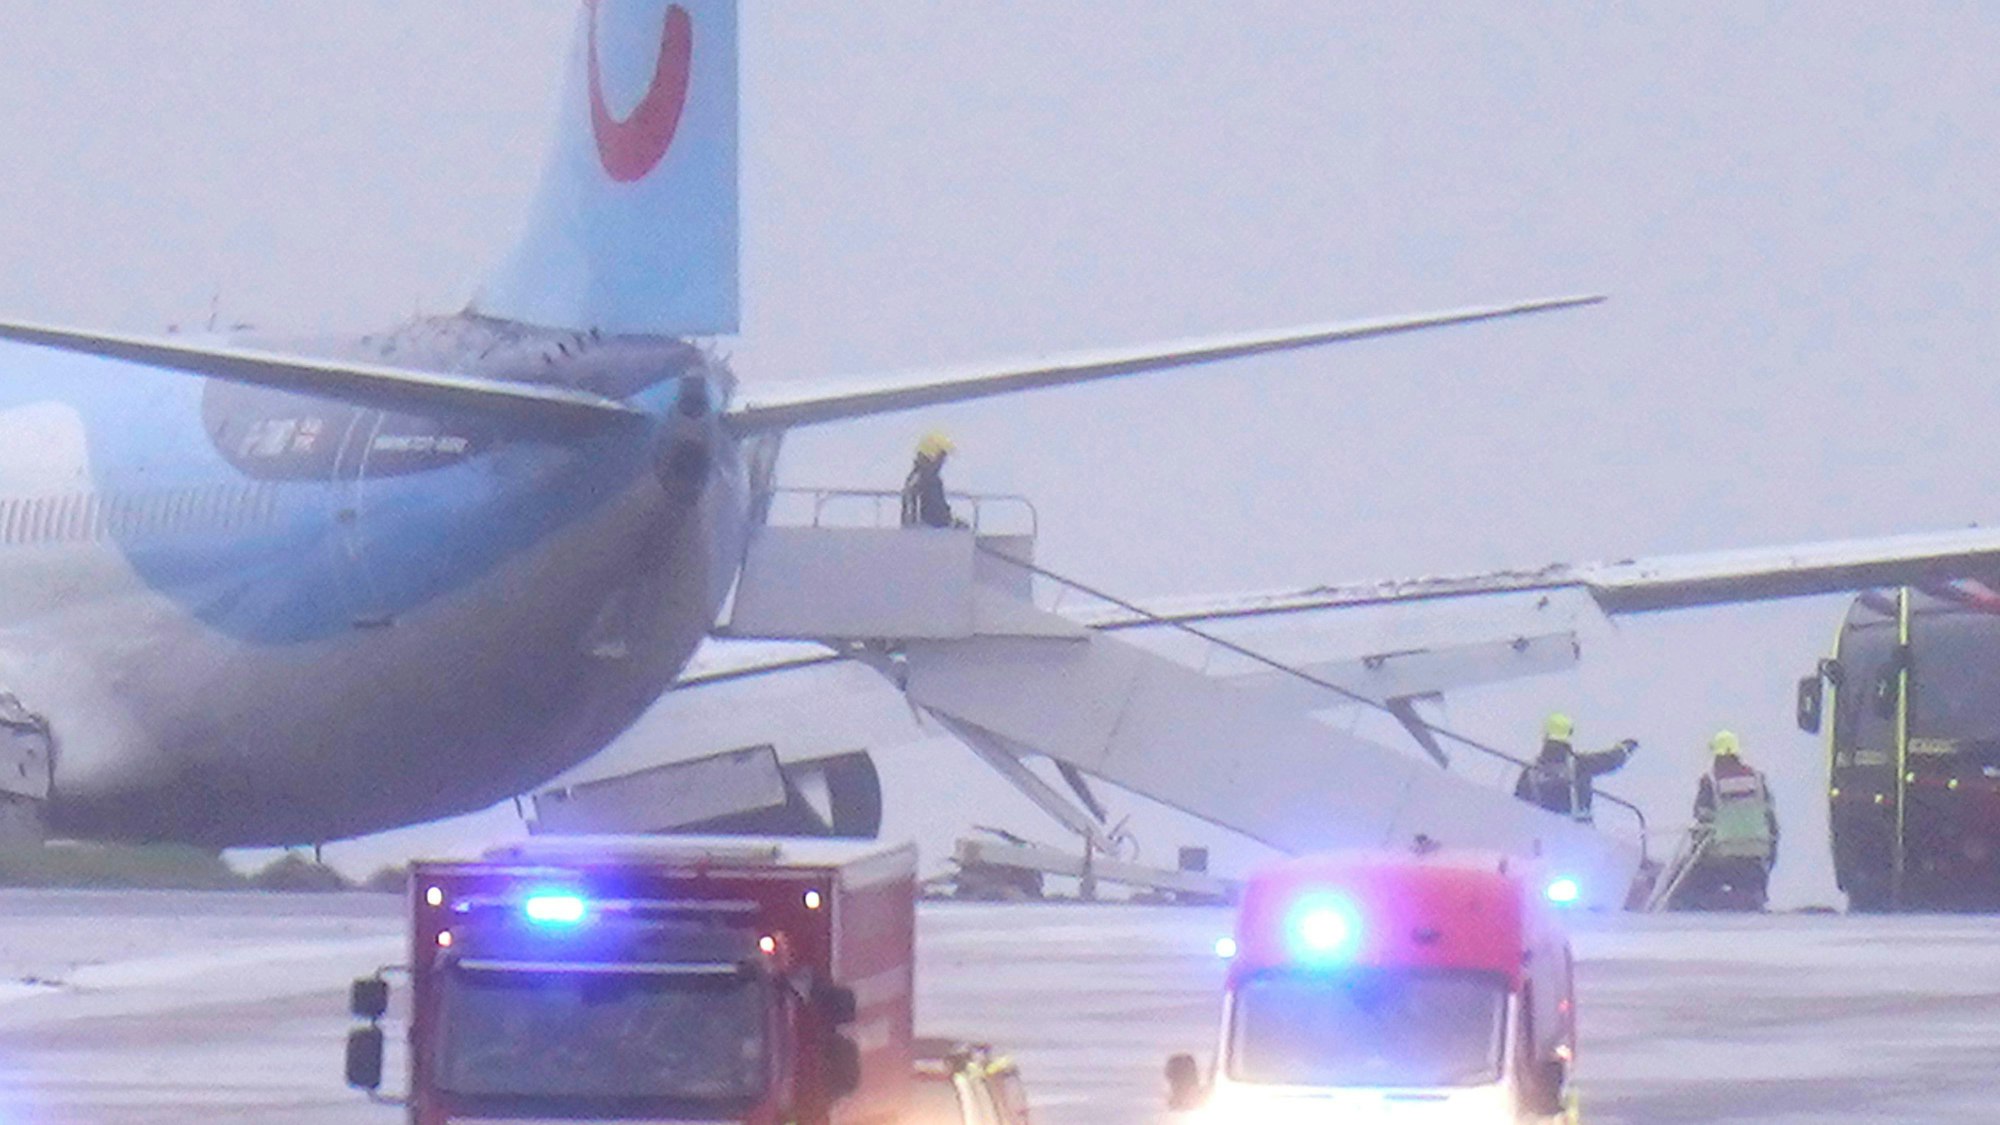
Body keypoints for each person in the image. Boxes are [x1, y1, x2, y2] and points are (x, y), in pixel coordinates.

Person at [1672, 729, 1778, 910]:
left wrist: (1693, 856)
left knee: (1684, 892)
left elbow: (1702, 821)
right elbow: (1771, 822)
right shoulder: (1758, 780)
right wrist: (1769, 858)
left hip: (1720, 857)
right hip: (1756, 858)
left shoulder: (1711, 781)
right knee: (1752, 900)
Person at [1513, 712, 1638, 823]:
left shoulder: (1529, 773)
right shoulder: (1581, 765)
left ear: (1545, 735)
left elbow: (1517, 806)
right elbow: (1610, 761)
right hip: (1578, 836)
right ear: (1569, 733)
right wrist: (1625, 749)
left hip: (1539, 836)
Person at [900, 432, 959, 529]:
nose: (942, 463)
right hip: (927, 533)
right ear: (932, 456)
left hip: (917, 532)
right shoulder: (929, 480)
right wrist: (952, 523)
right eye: (942, 457)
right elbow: (937, 512)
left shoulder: (914, 478)